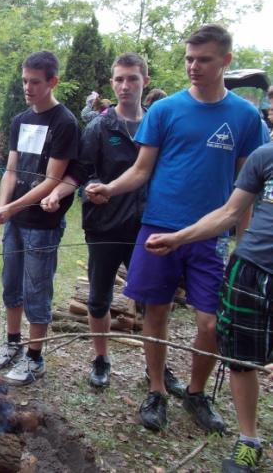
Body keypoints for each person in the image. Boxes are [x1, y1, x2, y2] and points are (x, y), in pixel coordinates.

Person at [85, 25, 268, 433]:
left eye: (203, 59)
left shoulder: (244, 117)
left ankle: (197, 393)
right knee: (156, 312)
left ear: (225, 61)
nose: (193, 66)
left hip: (211, 235)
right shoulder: (166, 111)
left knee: (209, 322)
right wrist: (108, 189)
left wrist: (244, 242)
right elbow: (141, 170)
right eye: (189, 58)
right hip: (158, 227)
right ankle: (157, 390)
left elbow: (247, 189)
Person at [41, 52, 185, 395]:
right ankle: (101, 359)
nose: (125, 86)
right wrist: (88, 191)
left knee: (153, 301)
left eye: (132, 79)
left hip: (150, 225)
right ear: (111, 83)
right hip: (104, 226)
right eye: (119, 79)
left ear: (145, 82)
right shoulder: (99, 127)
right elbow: (83, 172)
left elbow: (167, 172)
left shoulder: (159, 123)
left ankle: (157, 368)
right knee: (99, 298)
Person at [144, 142, 273, 472]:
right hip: (251, 268)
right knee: (241, 359)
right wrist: (178, 238)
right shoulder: (265, 156)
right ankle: (249, 441)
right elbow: (230, 212)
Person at [0, 51, 81, 385]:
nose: (28, 87)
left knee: (36, 289)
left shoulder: (64, 123)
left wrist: (12, 208)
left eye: (35, 82)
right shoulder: (20, 120)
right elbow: (11, 169)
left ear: (52, 81)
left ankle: (35, 357)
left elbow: (52, 180)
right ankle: (13, 344)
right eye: (25, 80)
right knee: (11, 284)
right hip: (14, 222)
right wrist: (2, 206)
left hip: (42, 224)